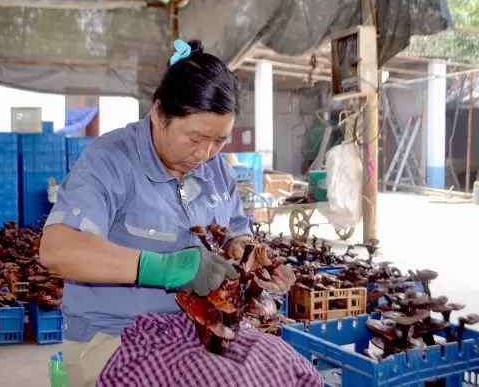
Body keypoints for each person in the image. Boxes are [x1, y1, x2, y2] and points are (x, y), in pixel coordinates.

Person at [39, 39, 322, 387]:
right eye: (195, 137)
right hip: (115, 335)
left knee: (298, 374)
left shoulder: (218, 171)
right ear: (159, 113)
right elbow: (57, 250)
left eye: (220, 140)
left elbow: (235, 232)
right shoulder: (110, 160)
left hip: (200, 327)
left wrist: (246, 252)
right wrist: (164, 268)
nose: (205, 153)